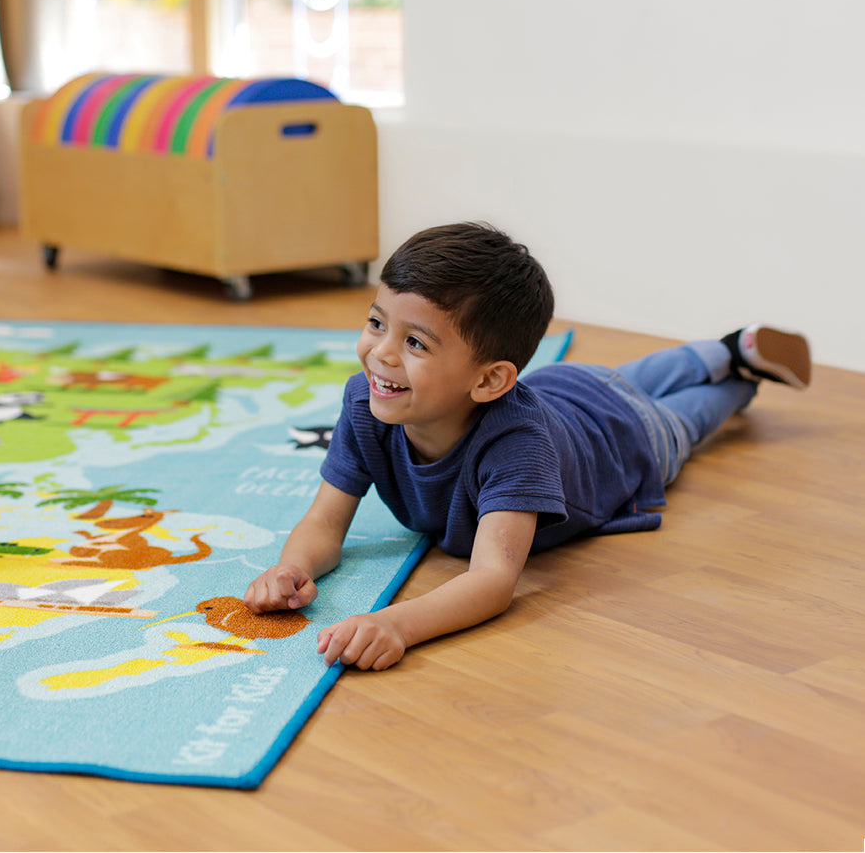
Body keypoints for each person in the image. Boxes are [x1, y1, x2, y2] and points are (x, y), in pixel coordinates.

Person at [244, 222, 811, 671]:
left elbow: (492, 580)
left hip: (627, 438)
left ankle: (742, 377)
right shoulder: (365, 403)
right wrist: (292, 568)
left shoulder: (515, 444)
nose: (381, 353)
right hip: (570, 386)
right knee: (631, 377)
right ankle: (729, 347)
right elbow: (324, 522)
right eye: (376, 323)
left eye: (414, 342)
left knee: (686, 417)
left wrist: (397, 624)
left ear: (490, 379)